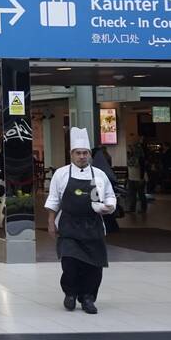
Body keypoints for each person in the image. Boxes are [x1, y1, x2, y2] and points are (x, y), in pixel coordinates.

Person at [45, 127, 117, 314]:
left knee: (93, 266)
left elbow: (109, 197)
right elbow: (54, 199)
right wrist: (51, 221)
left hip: (93, 226)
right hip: (69, 226)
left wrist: (108, 206)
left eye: (85, 153)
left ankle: (88, 298)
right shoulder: (61, 174)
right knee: (69, 262)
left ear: (89, 155)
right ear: (72, 154)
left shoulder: (98, 176)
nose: (82, 156)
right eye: (78, 153)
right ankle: (70, 293)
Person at [91, 144, 122, 233]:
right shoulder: (105, 157)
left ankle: (108, 227)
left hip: (101, 187)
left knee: (103, 208)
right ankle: (112, 227)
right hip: (108, 186)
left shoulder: (97, 162)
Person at [127, 140, 149, 214]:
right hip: (131, 178)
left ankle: (143, 209)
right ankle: (132, 209)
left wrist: (141, 178)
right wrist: (127, 177)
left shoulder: (140, 157)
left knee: (141, 194)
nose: (131, 148)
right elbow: (128, 168)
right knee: (132, 195)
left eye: (132, 147)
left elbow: (143, 168)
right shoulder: (130, 156)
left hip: (139, 178)